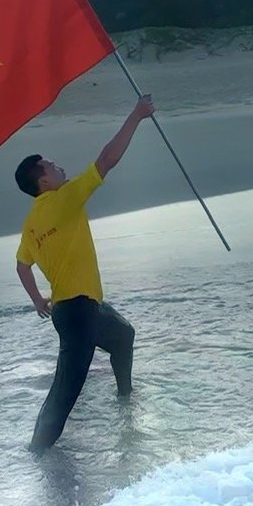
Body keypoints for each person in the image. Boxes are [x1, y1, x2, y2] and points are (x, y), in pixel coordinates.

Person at [14, 94, 155, 451]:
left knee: (123, 335)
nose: (59, 167)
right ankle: (36, 453)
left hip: (78, 309)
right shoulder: (64, 200)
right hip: (77, 314)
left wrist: (36, 300)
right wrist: (136, 116)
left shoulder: (32, 223)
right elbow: (107, 160)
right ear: (42, 182)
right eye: (51, 166)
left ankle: (125, 401)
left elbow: (22, 264)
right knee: (64, 393)